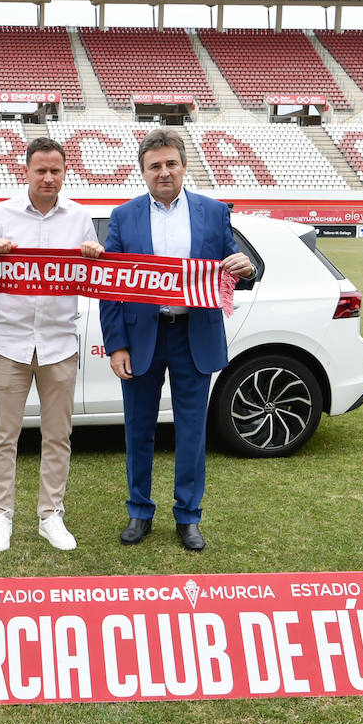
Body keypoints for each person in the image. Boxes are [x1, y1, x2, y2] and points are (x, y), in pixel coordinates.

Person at [98, 128, 255, 551]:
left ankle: (188, 516)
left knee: (191, 432)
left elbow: (234, 271)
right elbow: (111, 286)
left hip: (193, 335)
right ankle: (139, 511)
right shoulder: (124, 216)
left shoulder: (214, 212)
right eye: (155, 166)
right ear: (143, 172)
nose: (163, 172)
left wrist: (244, 268)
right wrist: (116, 345)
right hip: (142, 337)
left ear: (184, 166)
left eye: (170, 164)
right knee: (139, 431)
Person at [0, 137, 104, 552]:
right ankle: (0, 517)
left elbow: (93, 273)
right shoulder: (1, 213)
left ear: (65, 173)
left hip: (60, 342)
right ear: (25, 171)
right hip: (11, 341)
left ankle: (51, 515)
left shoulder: (79, 217)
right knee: (3, 435)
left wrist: (95, 256)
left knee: (58, 436)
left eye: (55, 171)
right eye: (40, 171)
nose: (48, 178)